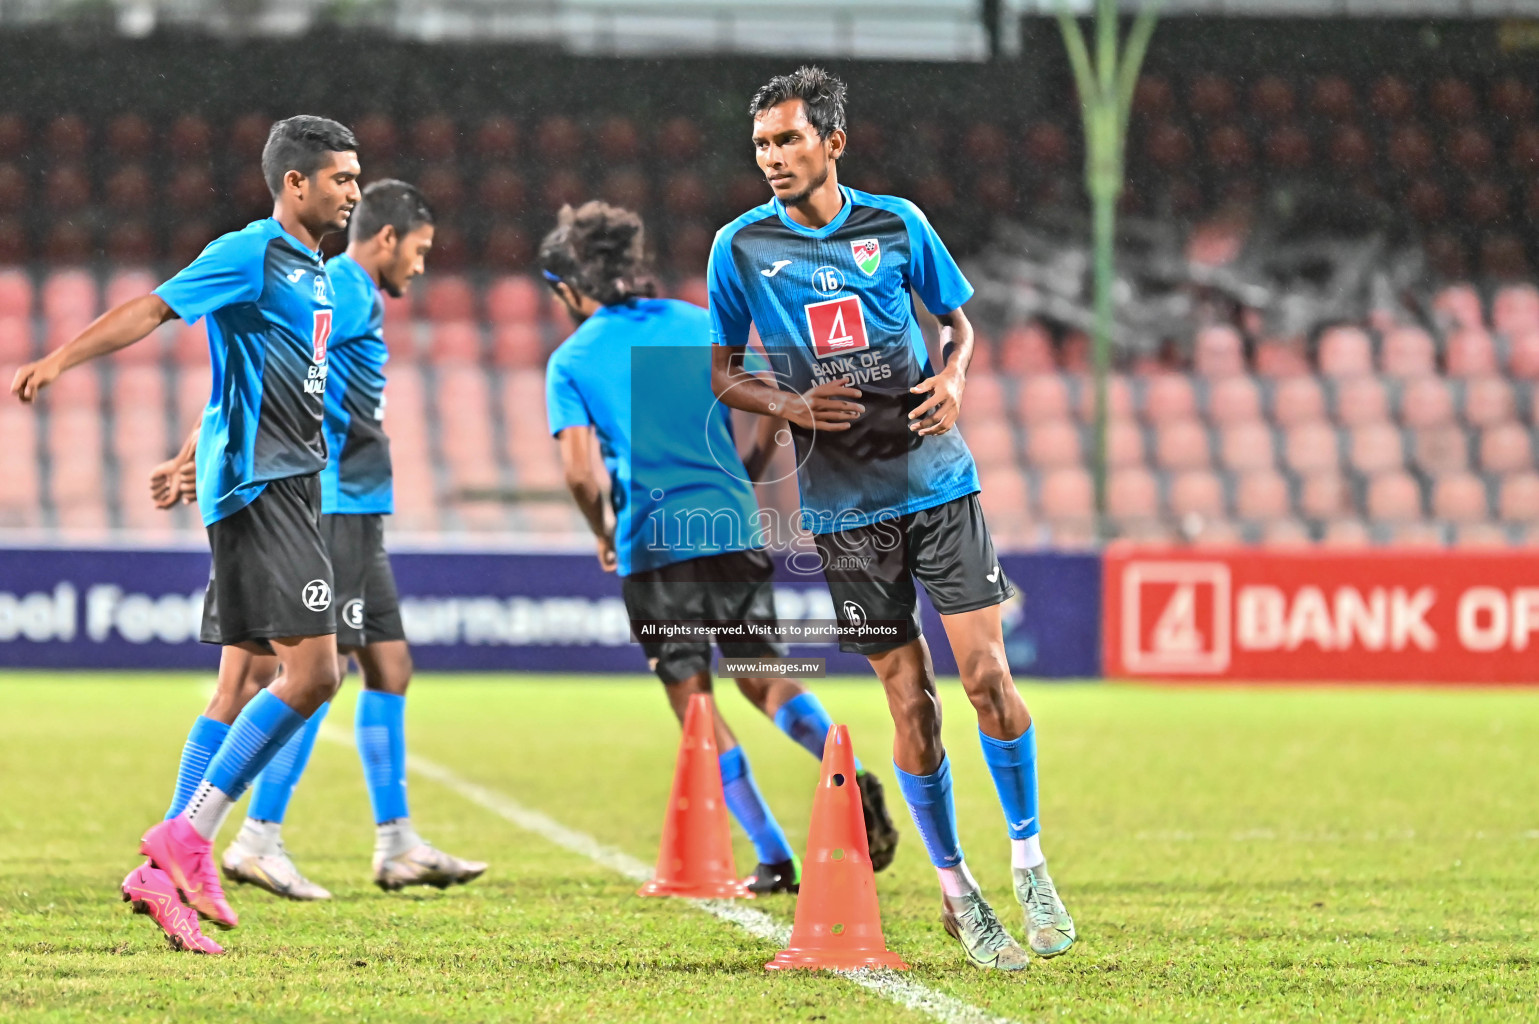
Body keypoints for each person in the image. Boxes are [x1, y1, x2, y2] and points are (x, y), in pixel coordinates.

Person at [705, 67, 1075, 970]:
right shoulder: (739, 247)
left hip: (939, 484)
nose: (772, 159)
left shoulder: (898, 223)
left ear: (833, 141)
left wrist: (952, 379)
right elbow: (721, 371)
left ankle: (1028, 863)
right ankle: (957, 889)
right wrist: (788, 408)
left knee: (986, 677)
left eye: (788, 140)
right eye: (761, 145)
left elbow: (958, 325)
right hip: (842, 511)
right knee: (911, 703)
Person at [13, 115, 361, 955]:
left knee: (244, 678)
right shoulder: (250, 251)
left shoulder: (317, 272)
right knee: (315, 672)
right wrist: (61, 359)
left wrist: (185, 454)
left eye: (357, 178)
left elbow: (242, 381)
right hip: (262, 488)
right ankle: (189, 837)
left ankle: (164, 872)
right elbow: (153, 308)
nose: (353, 192)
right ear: (295, 184)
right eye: (341, 179)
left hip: (273, 480)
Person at [540, 200, 899, 893]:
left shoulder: (573, 360)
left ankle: (772, 856)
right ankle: (843, 771)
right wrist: (750, 475)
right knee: (762, 673)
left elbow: (580, 471)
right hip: (732, 527)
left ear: (572, 288)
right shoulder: (696, 322)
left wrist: (601, 533)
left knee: (693, 701)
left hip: (653, 539)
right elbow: (776, 402)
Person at [148, 180, 486, 904]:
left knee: (387, 667)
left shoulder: (345, 291)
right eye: (419, 252)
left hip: (357, 507)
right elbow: (270, 386)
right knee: (292, 679)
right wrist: (195, 455)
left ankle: (394, 843)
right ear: (388, 239)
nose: (421, 267)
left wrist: (188, 457)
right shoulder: (343, 287)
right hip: (320, 503)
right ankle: (243, 838)